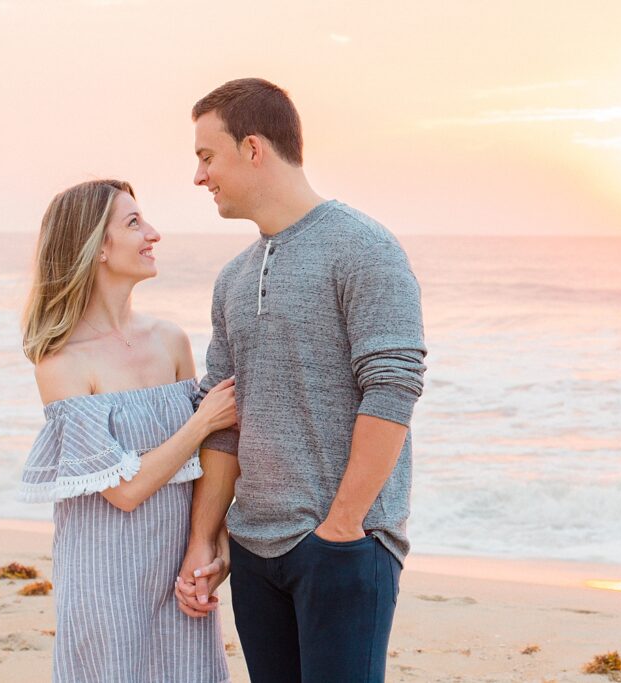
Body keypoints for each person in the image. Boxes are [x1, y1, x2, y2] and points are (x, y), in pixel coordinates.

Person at [173, 78, 427, 682]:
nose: (199, 176)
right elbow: (225, 418)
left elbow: (393, 386)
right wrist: (204, 541)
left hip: (343, 545)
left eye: (207, 156)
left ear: (254, 148)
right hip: (254, 550)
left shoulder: (363, 247)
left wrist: (343, 526)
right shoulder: (232, 279)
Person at [18, 179, 237, 683]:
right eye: (134, 223)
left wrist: (211, 547)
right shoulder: (62, 361)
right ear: (95, 246)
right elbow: (125, 489)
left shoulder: (170, 340)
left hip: (178, 572)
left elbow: (207, 463)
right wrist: (203, 419)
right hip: (104, 579)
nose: (152, 233)